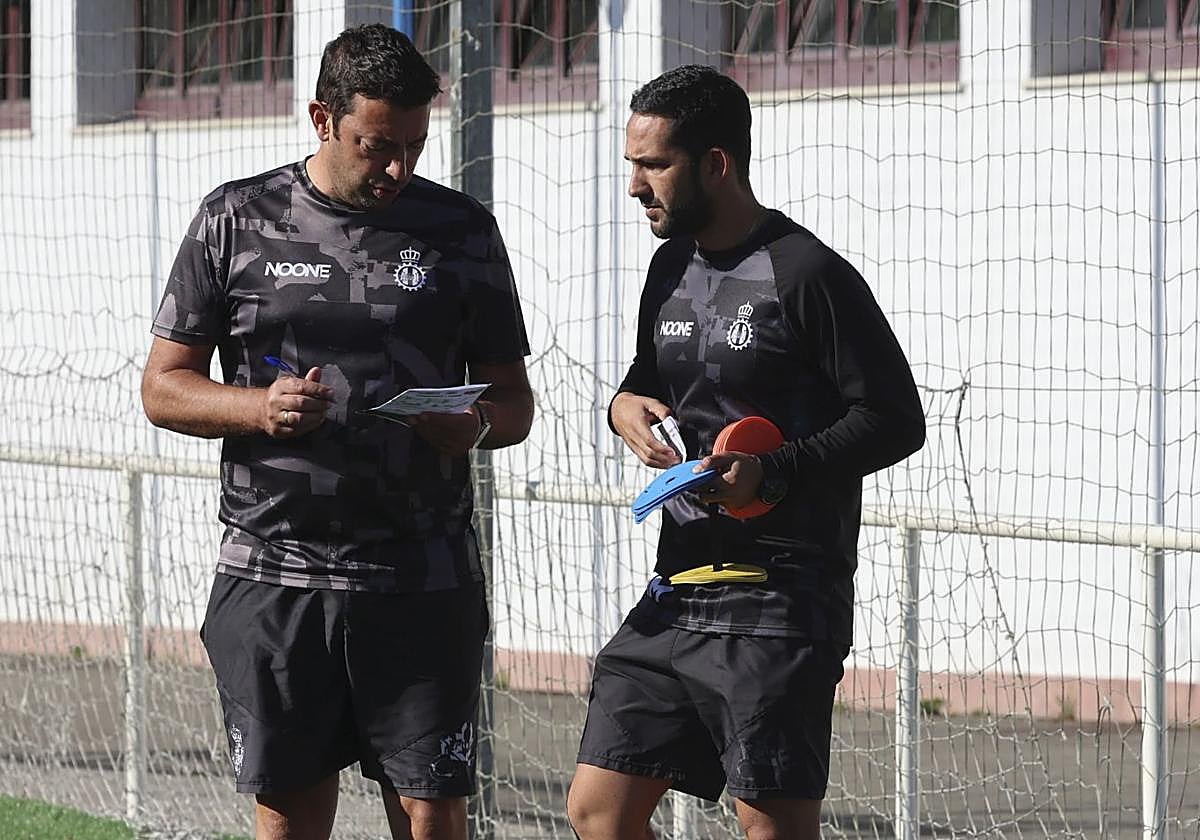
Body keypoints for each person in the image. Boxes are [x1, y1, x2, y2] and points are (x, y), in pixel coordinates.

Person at [140, 25, 533, 840]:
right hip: (276, 575)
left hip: (421, 578)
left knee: (431, 815)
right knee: (290, 816)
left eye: (416, 146)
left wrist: (475, 424)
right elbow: (163, 388)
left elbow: (514, 403)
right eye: (378, 146)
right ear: (323, 118)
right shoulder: (234, 218)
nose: (399, 168)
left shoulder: (462, 230)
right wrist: (257, 408)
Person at [565, 65, 925, 840]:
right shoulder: (669, 266)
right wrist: (621, 406)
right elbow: (646, 380)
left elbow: (895, 419)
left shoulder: (807, 274)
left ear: (716, 164)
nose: (634, 185)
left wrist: (774, 471)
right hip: (677, 589)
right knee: (597, 812)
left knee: (770, 826)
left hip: (780, 601)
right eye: (632, 164)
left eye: (654, 164)